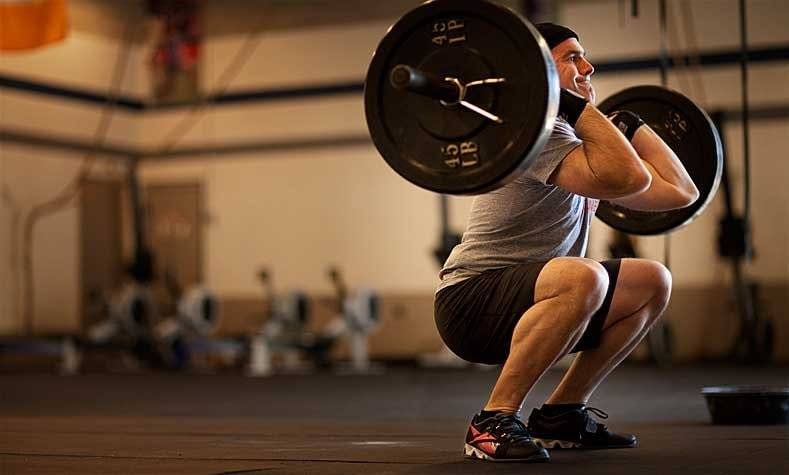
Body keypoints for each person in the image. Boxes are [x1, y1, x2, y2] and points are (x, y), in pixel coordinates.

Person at [433, 23, 699, 463]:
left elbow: (681, 192)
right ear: (539, 70)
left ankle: (562, 415)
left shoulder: (578, 146)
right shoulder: (534, 135)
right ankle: (491, 421)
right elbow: (629, 176)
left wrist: (631, 124)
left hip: (540, 296)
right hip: (470, 302)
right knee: (585, 276)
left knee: (653, 281)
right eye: (572, 57)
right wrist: (572, 105)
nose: (587, 66)